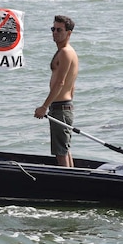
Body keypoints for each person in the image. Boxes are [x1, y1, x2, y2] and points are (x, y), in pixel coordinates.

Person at [34, 15, 79, 167]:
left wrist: (44, 107)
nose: (55, 33)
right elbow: (71, 86)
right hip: (64, 107)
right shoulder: (66, 52)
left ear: (69, 33)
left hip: (61, 108)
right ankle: (73, 179)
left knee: (61, 152)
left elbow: (60, 83)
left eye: (59, 30)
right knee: (64, 149)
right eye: (53, 29)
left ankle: (68, 184)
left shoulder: (66, 52)